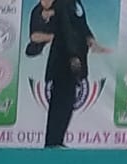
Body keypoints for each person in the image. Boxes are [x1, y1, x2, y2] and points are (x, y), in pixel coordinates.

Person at [44, 1, 110, 149]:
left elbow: (81, 25)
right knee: (59, 103)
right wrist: (73, 55)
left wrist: (91, 40)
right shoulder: (62, 4)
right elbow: (66, 29)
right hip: (63, 61)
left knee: (68, 103)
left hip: (75, 60)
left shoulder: (76, 3)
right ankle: (52, 140)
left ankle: (58, 140)